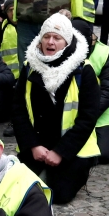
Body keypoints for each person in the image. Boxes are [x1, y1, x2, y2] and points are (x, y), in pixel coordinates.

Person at [13, 12, 100, 205]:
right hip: (37, 146)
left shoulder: (84, 71)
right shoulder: (29, 67)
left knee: (58, 195)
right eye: (46, 36)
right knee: (22, 192)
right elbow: (18, 110)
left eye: (57, 38)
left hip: (72, 150)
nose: (50, 42)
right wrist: (33, 145)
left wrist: (61, 152)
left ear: (67, 42)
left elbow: (88, 118)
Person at [72, 18, 109, 165]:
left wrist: (87, 116)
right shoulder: (64, 49)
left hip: (99, 113)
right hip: (70, 112)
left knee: (105, 154)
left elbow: (107, 92)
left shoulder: (105, 53)